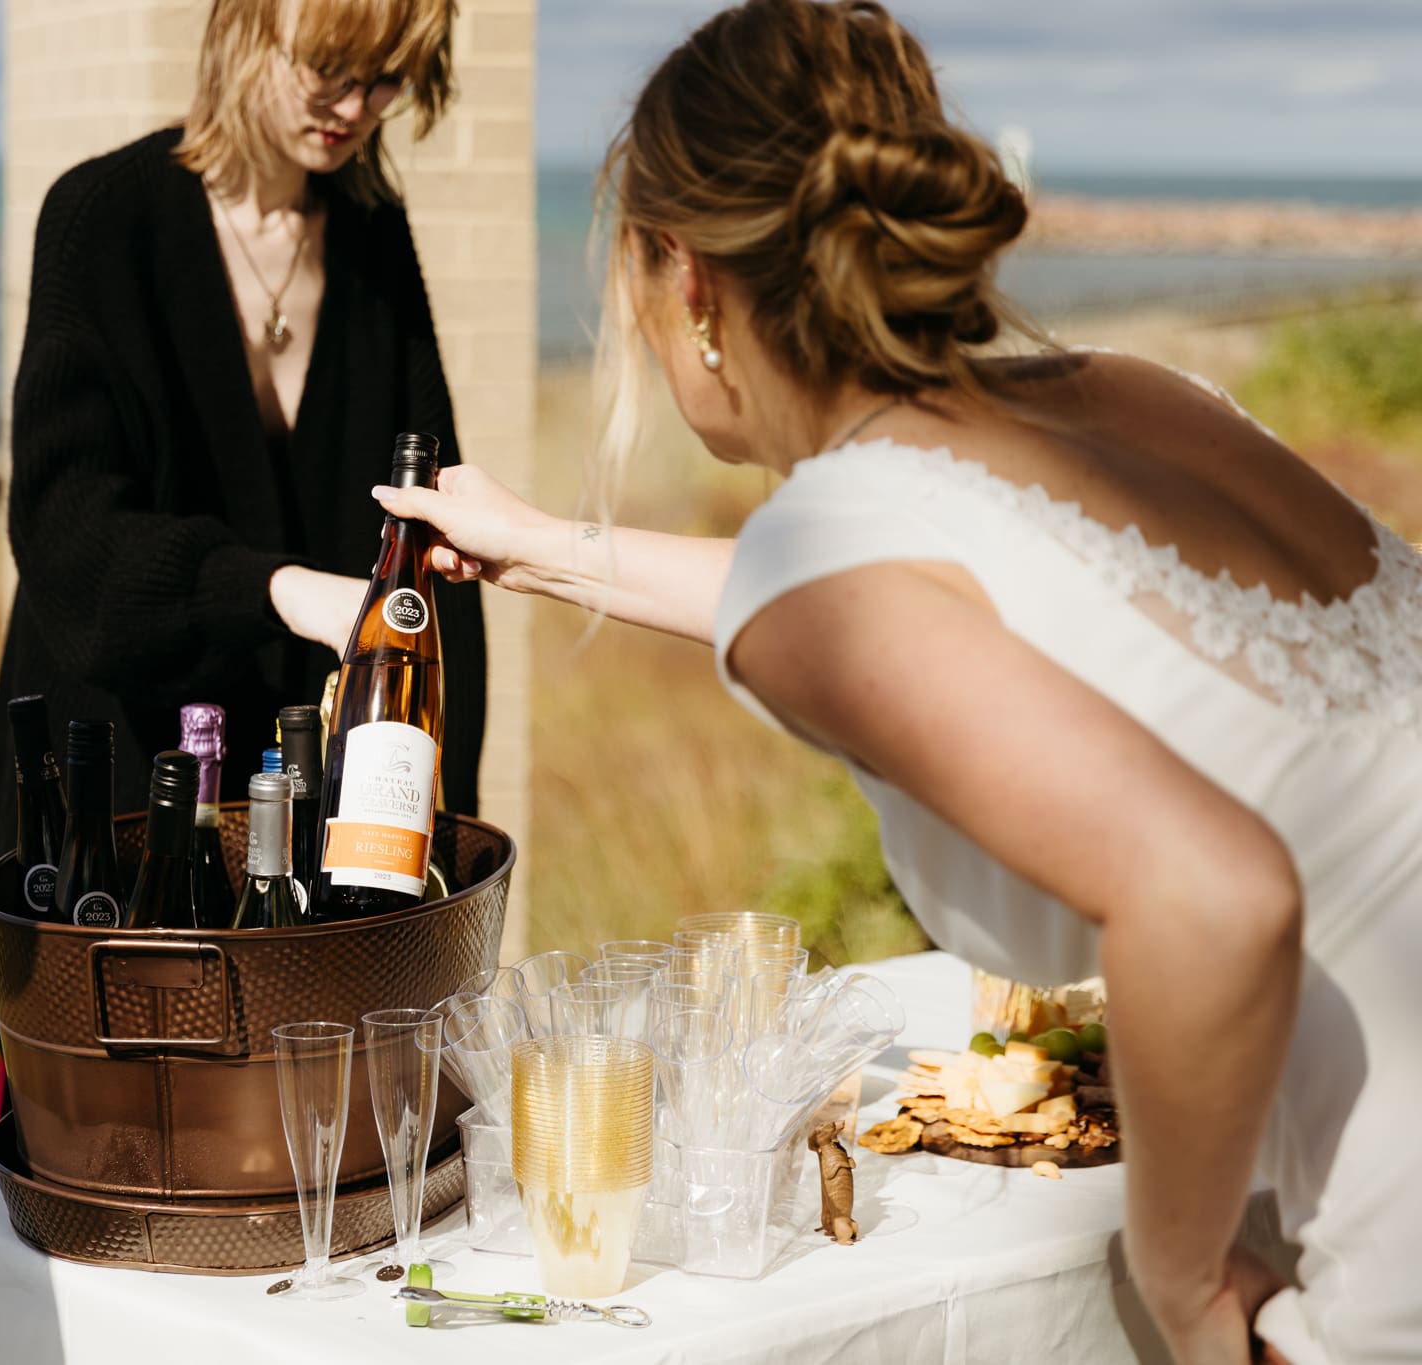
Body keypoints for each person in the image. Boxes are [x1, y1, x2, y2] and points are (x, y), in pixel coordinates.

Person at [377, 3, 1419, 1362]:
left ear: (689, 282)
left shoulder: (835, 553)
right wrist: (544, 549)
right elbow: (919, 611)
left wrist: (1186, 1287)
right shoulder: (1123, 394)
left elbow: (1214, 893)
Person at [0, 0, 488, 991]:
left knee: (320, 1128)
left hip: (312, 840)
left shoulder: (373, 237)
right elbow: (66, 536)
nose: (352, 107)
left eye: (384, 80)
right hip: (120, 813)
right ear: (246, 24)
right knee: (108, 1130)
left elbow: (424, 542)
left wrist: (432, 810)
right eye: (328, 67)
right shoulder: (100, 217)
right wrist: (280, 588)